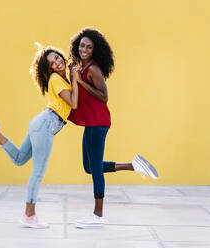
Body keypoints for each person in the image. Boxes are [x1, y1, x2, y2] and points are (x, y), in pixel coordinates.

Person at [0, 45, 79, 229]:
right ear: (50, 69)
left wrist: (72, 74)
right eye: (52, 63)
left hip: (40, 123)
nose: (57, 62)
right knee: (38, 172)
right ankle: (29, 215)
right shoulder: (56, 80)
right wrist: (75, 78)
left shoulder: (60, 79)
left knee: (20, 159)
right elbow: (74, 103)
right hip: (45, 124)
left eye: (57, 57)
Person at [68, 27, 159, 229]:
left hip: (98, 122)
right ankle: (133, 165)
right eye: (82, 45)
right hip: (91, 123)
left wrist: (81, 81)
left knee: (96, 170)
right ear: (77, 45)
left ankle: (98, 215)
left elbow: (104, 96)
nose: (84, 49)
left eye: (89, 47)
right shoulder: (80, 67)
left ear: (94, 50)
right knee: (89, 167)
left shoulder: (92, 69)